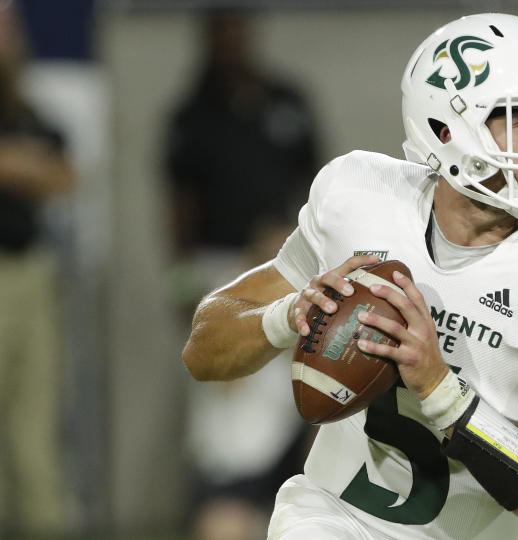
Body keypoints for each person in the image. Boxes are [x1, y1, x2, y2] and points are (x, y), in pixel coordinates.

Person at [183, 13, 518, 540]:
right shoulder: (359, 199)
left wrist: (439, 387)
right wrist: (288, 315)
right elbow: (202, 349)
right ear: (447, 129)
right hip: (336, 520)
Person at [164, 8, 320, 539]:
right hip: (221, 270)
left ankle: (284, 497)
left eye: (239, 28)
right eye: (221, 30)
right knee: (232, 421)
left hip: (291, 263)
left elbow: (317, 189)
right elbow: (179, 210)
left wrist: (297, 241)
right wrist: (185, 287)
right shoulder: (192, 114)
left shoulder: (286, 100)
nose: (232, 40)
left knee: (300, 398)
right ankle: (232, 499)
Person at [0, 0, 73, 534]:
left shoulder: (26, 112)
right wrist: (23, 166)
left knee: (36, 418)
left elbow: (65, 176)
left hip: (29, 271)